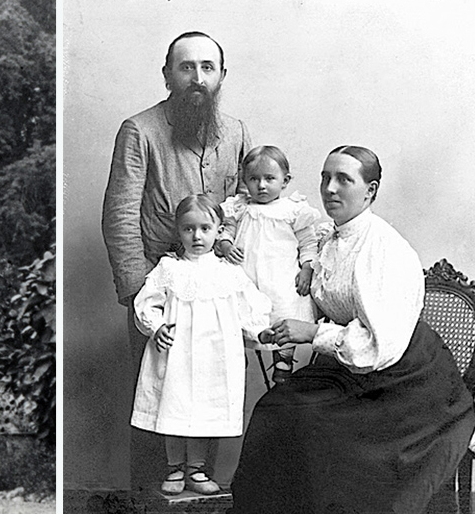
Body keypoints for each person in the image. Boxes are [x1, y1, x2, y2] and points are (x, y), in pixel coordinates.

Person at [231, 146, 475, 513]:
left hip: (407, 381)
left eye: (344, 179)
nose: (330, 189)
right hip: (348, 370)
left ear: (370, 190)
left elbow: (381, 346)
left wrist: (312, 334)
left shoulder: (385, 250)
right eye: (325, 178)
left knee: (311, 425)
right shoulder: (328, 239)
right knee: (275, 409)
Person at [101, 31, 252, 487]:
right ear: (168, 74)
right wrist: (141, 297)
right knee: (156, 396)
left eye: (208, 68)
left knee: (211, 391)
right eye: (187, 67)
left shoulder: (238, 132)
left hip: (215, 295)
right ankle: (148, 497)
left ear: (222, 76)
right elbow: (120, 215)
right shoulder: (140, 130)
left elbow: (248, 206)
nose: (197, 78)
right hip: (161, 293)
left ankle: (204, 488)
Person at [132, 195, 271, 495]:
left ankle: (196, 469)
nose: (197, 236)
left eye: (205, 228)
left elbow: (252, 308)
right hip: (177, 351)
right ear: (178, 230)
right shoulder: (169, 268)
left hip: (215, 354)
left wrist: (259, 333)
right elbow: (146, 302)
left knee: (203, 411)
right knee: (175, 404)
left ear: (219, 230)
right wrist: (156, 327)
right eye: (188, 229)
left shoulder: (229, 272)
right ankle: (174, 469)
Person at [218, 146, 323, 383]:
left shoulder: (293, 210)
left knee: (285, 307)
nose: (262, 185)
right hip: (247, 275)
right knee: (242, 308)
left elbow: (308, 243)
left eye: (269, 179)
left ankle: (284, 360)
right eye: (254, 179)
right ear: (245, 181)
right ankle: (236, 352)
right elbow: (225, 231)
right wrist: (226, 245)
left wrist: (307, 268)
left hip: (280, 276)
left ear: (284, 181)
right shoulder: (240, 207)